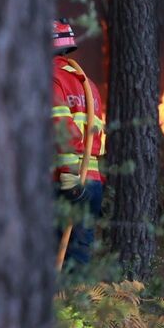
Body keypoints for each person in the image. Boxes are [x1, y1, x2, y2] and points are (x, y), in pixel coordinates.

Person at [51, 19, 106, 267]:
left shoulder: (50, 78)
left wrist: (69, 175)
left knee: (50, 259)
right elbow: (96, 139)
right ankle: (76, 306)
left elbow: (60, 128)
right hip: (91, 182)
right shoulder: (88, 85)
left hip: (65, 182)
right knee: (78, 261)